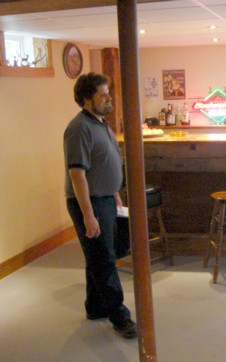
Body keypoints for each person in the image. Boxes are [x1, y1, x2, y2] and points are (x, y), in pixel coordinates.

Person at [63, 72, 137, 339]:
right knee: (104, 259)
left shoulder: (100, 122)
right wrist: (88, 215)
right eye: (102, 95)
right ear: (86, 99)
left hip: (105, 198)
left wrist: (115, 192)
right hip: (89, 203)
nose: (109, 99)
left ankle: (95, 307)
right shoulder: (79, 128)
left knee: (97, 255)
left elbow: (105, 161)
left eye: (108, 93)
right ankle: (120, 317)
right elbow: (77, 174)